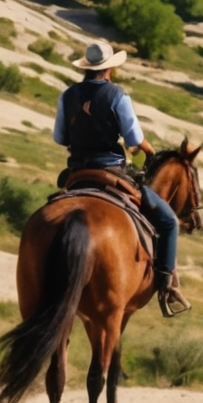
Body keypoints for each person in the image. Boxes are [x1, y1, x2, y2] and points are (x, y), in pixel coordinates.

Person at [54, 40, 189, 317]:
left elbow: (60, 138)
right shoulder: (117, 96)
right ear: (110, 70)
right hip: (111, 171)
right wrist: (148, 151)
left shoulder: (68, 96)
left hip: (77, 173)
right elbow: (134, 139)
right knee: (168, 221)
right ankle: (166, 285)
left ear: (86, 69)